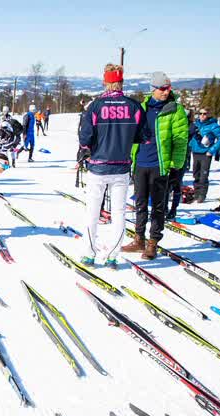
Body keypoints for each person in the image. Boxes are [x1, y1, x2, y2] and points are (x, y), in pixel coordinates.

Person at [77, 64, 147, 268]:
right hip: (121, 167)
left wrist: (86, 150)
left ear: (104, 81)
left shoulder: (96, 106)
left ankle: (89, 254)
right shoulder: (133, 106)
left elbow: (85, 136)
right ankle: (113, 256)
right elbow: (143, 136)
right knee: (118, 213)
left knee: (92, 212)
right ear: (121, 82)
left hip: (98, 166)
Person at [123, 71, 188, 259]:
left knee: (158, 206)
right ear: (153, 89)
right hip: (141, 163)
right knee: (140, 203)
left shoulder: (175, 110)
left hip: (161, 165)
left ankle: (153, 242)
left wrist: (176, 166)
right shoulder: (142, 108)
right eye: (162, 88)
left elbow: (181, 140)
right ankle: (138, 239)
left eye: (168, 88)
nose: (166, 92)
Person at [188, 108, 220, 203]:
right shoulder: (196, 124)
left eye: (204, 113)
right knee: (196, 173)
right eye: (200, 113)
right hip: (195, 151)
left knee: (203, 175)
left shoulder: (213, 126)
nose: (202, 115)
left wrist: (212, 150)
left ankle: (202, 194)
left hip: (205, 153)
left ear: (208, 114)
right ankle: (196, 193)